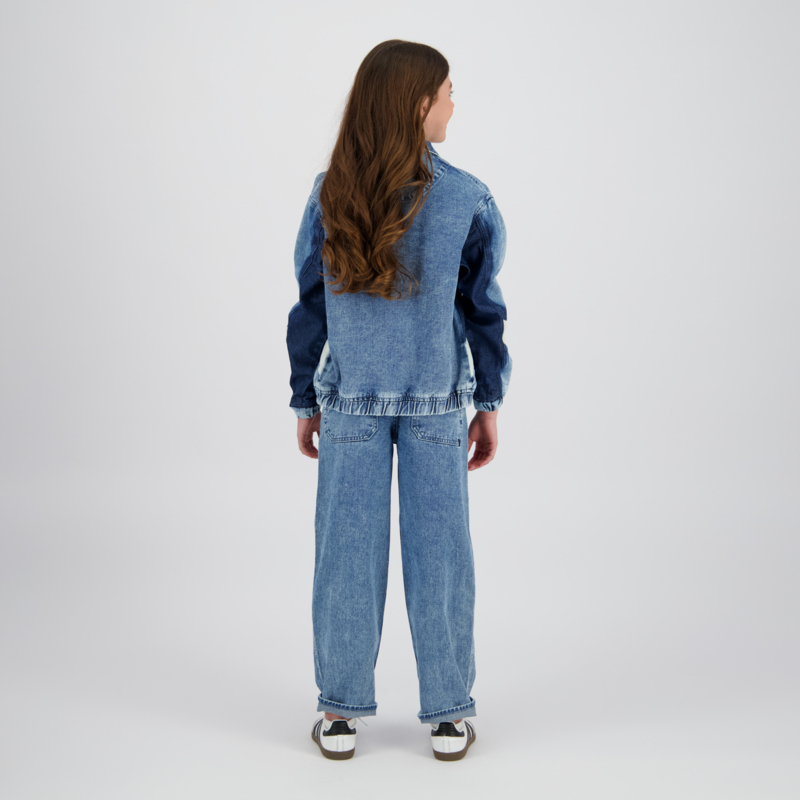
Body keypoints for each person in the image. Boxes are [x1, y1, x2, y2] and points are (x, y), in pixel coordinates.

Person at [286, 39, 512, 761]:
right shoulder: (468, 198)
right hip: (437, 404)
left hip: (349, 403)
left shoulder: (331, 192)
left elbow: (310, 305)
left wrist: (305, 399)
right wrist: (489, 400)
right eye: (447, 93)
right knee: (442, 556)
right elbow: (484, 311)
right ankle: (449, 713)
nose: (453, 106)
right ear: (418, 105)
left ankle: (339, 712)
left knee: (345, 556)